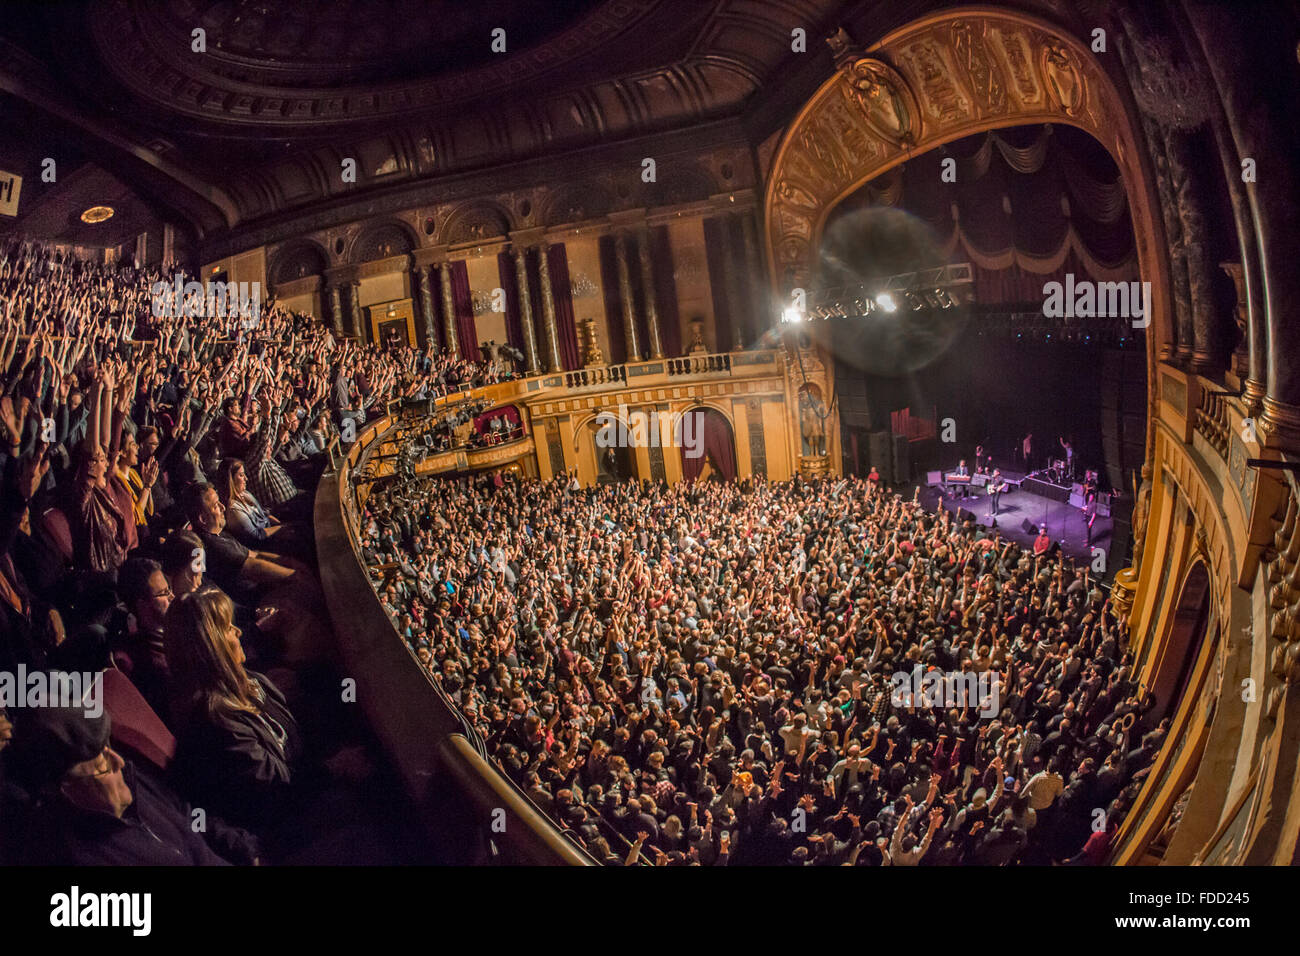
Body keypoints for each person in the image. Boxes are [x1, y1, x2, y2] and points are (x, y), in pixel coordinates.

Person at [8, 705, 259, 865]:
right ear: (66, 790)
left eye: (109, 749)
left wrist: (243, 847)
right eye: (101, 765)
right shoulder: (74, 856)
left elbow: (188, 814)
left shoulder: (128, 777)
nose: (119, 762)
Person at [164, 585, 302, 830]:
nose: (239, 632)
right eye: (229, 628)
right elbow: (279, 788)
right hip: (288, 824)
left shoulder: (248, 681)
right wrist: (333, 767)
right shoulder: (215, 723)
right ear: (212, 647)